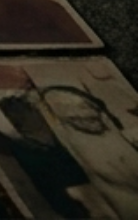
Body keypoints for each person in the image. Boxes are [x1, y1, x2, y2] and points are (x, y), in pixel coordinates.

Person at [35, 83, 138, 219]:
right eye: (67, 107)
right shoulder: (78, 151)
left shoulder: (123, 137)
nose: (83, 110)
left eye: (85, 105)